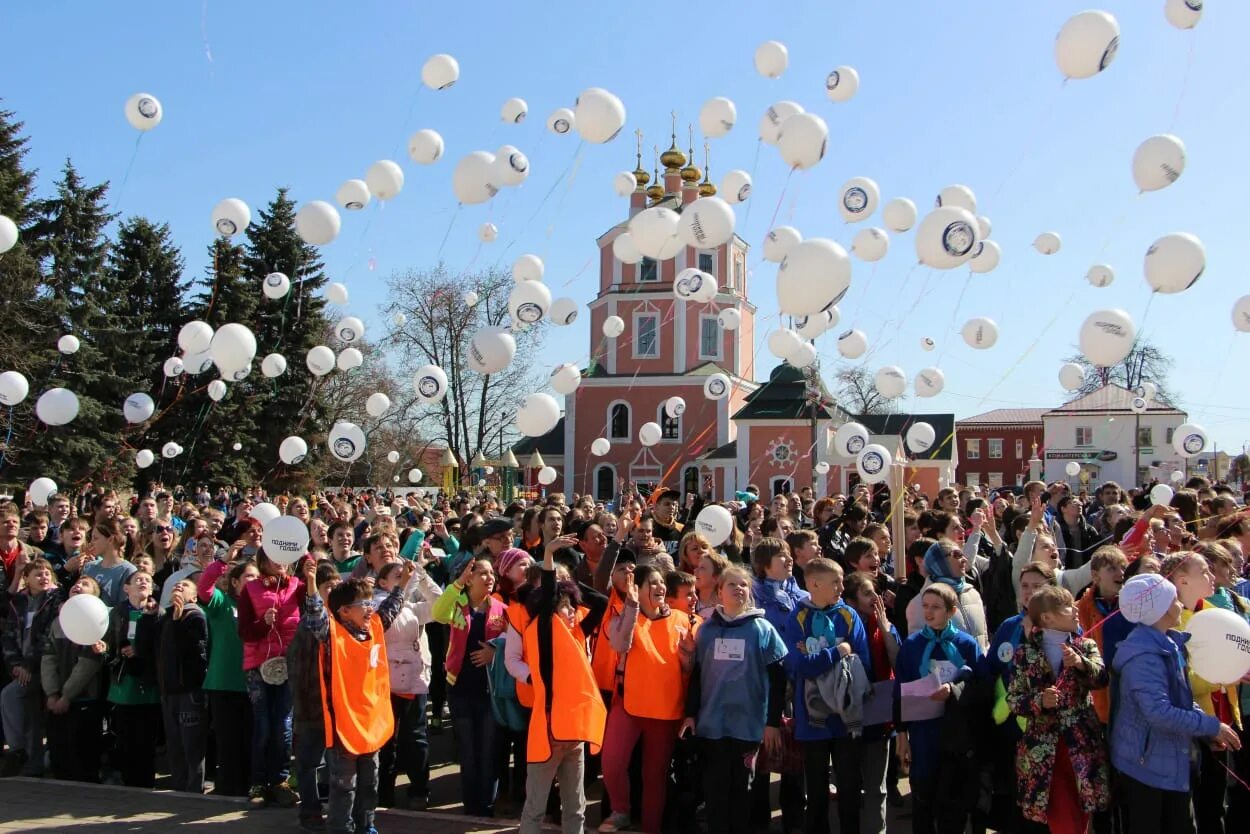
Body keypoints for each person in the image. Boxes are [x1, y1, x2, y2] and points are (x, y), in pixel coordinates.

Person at [1110, 573, 1241, 834]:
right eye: (1173, 599)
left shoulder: (1169, 644)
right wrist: (1211, 725)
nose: (1180, 603)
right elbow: (1159, 712)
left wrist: (1206, 732)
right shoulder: (1144, 657)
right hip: (1145, 768)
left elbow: (1181, 700)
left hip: (1168, 761)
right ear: (1160, 609)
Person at [300, 555, 413, 834]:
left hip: (370, 724)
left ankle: (366, 825)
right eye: (363, 604)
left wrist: (404, 584)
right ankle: (341, 828)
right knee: (344, 786)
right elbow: (316, 617)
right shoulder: (332, 633)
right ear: (343, 612)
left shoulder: (374, 626)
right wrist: (312, 584)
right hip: (344, 728)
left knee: (369, 781)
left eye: (369, 602)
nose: (369, 608)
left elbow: (391, 607)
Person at [680, 564, 788, 834]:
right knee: (715, 792)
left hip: (748, 726)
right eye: (732, 584)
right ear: (719, 591)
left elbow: (778, 679)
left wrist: (772, 722)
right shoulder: (706, 630)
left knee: (743, 791)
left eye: (743, 585)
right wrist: (691, 714)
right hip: (712, 725)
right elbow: (697, 675)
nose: (739, 589)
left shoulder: (762, 629)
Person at [518, 531, 611, 834]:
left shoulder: (576, 634)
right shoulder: (543, 630)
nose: (573, 612)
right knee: (535, 809)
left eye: (573, 606)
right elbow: (547, 601)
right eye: (566, 607)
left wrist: (568, 584)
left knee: (576, 808)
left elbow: (600, 602)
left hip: (574, 735)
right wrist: (548, 559)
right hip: (548, 732)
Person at [599, 563, 695, 834]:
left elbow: (688, 669)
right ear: (637, 590)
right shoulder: (625, 614)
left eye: (661, 582)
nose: (659, 587)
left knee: (654, 778)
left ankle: (651, 828)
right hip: (628, 705)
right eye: (651, 583)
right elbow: (619, 645)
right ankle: (621, 810)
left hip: (666, 711)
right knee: (613, 762)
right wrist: (631, 606)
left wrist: (689, 657)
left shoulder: (681, 619)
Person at [1006, 585, 1110, 834]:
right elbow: (1014, 699)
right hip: (1043, 748)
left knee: (1081, 807)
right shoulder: (1025, 653)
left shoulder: (1085, 646)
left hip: (1081, 744)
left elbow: (1102, 679)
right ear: (1047, 617)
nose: (1075, 610)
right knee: (1057, 812)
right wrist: (1039, 701)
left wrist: (1082, 665)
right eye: (1067, 606)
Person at [780, 558, 872, 834]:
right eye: (835, 582)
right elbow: (797, 665)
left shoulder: (848, 615)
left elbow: (862, 663)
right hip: (812, 718)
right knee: (817, 790)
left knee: (849, 787)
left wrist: (817, 657)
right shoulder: (797, 617)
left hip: (845, 715)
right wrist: (837, 652)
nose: (841, 587)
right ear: (814, 584)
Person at [895, 584, 985, 834]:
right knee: (923, 799)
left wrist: (955, 690)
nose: (929, 612)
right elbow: (899, 690)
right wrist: (901, 734)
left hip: (957, 735)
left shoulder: (965, 644)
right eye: (925, 606)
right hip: (924, 733)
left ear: (951, 610)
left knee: (953, 802)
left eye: (936, 607)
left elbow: (981, 684)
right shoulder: (912, 645)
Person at [1162, 551, 1240, 834]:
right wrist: (1224, 676)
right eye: (1204, 571)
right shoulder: (1171, 621)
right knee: (1198, 809)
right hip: (1195, 728)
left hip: (1223, 719)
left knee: (1219, 804)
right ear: (1182, 581)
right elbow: (1183, 681)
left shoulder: (1211, 612)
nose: (1211, 576)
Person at [433, 553, 507, 817]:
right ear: (470, 578)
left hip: (489, 691)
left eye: (491, 574)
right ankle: (471, 805)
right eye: (482, 573)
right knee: (467, 749)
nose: (489, 578)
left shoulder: (501, 609)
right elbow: (437, 613)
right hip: (460, 688)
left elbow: (515, 642)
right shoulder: (457, 604)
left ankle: (487, 804)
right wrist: (457, 584)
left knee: (488, 750)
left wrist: (495, 651)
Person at [375, 553, 443, 811]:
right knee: (386, 740)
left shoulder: (412, 609)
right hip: (386, 683)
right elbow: (387, 621)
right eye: (396, 576)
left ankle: (419, 789)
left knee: (416, 738)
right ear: (382, 582)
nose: (404, 578)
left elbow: (439, 606)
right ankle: (384, 794)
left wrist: (422, 577)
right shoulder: (374, 605)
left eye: (404, 575)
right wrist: (407, 584)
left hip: (415, 680)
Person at [238, 549, 305, 808]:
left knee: (284, 724)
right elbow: (244, 632)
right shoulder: (250, 589)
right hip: (258, 665)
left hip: (290, 664)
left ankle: (280, 781)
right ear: (263, 560)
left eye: (284, 555)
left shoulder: (298, 586)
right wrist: (263, 623)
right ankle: (258, 782)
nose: (279, 562)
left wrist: (305, 555)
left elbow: (312, 608)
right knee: (263, 724)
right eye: (273, 556)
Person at [196, 557, 258, 798]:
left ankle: (251, 785)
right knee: (228, 738)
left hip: (253, 683)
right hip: (224, 683)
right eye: (249, 577)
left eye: (257, 577)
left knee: (250, 738)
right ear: (234, 582)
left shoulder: (260, 606)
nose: (254, 581)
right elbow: (205, 588)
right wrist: (221, 562)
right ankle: (229, 786)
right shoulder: (222, 604)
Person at [40, 574, 105, 782]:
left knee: (83, 753)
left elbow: (88, 664)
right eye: (76, 584)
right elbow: (48, 659)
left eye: (85, 584)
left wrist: (67, 696)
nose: (78, 586)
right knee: (60, 748)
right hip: (57, 699)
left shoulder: (97, 619)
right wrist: (52, 694)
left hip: (85, 699)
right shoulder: (57, 624)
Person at [0, 557, 61, 776]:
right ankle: (31, 764)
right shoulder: (18, 602)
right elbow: (8, 637)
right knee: (29, 711)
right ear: (26, 579)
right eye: (38, 574)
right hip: (22, 669)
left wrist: (28, 665)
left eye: (47, 573)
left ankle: (17, 751)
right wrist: (16, 665)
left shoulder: (56, 600)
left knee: (10, 695)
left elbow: (48, 637)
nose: (44, 577)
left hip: (44, 668)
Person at [104, 569, 163, 788]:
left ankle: (145, 781)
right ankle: (127, 779)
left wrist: (140, 650)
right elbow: (109, 642)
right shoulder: (117, 613)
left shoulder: (159, 613)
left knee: (146, 736)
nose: (143, 582)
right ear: (126, 588)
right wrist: (106, 650)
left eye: (147, 580)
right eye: (137, 579)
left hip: (149, 684)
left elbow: (162, 645)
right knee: (125, 734)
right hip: (123, 681)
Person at [157, 577, 209, 793]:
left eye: (185, 585)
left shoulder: (195, 615)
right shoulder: (166, 616)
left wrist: (178, 621)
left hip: (189, 691)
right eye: (176, 585)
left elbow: (195, 653)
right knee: (175, 744)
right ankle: (178, 788)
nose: (179, 586)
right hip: (168, 691)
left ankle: (194, 789)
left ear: (194, 596)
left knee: (191, 744)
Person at [905, 539, 990, 650]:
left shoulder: (973, 594)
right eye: (957, 555)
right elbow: (919, 650)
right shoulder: (919, 603)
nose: (964, 560)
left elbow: (984, 639)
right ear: (939, 561)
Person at [82, 516, 137, 609]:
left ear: (110, 539)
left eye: (95, 538)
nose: (91, 543)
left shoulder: (128, 571)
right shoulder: (89, 567)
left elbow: (123, 608)